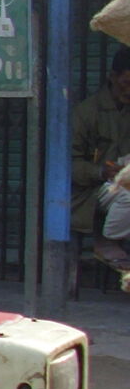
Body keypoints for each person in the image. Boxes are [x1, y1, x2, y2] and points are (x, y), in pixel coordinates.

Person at [72, 46, 130, 272]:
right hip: (91, 191)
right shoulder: (87, 113)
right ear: (113, 77)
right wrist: (100, 172)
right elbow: (68, 165)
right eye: (126, 82)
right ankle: (108, 241)